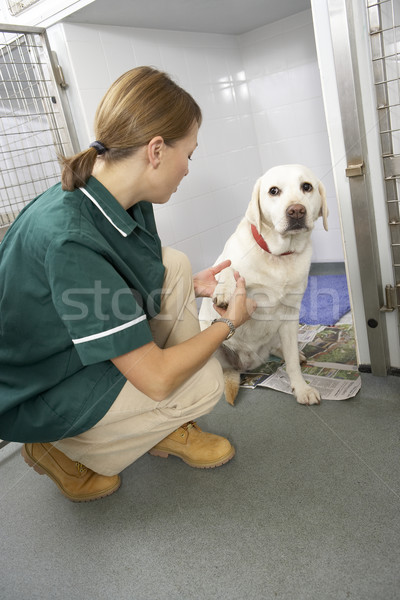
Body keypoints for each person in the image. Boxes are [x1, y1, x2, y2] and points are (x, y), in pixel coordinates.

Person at [0, 66, 256, 502]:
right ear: (156, 150)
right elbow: (156, 380)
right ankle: (55, 447)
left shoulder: (114, 193)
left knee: (173, 267)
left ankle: (161, 427)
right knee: (205, 383)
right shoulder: (69, 237)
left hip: (72, 348)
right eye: (189, 154)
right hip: (39, 386)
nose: (189, 169)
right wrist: (226, 325)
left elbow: (113, 286)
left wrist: (190, 288)